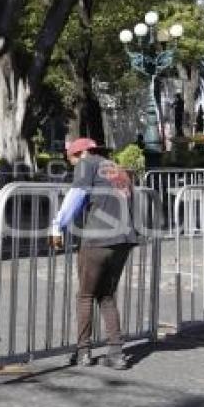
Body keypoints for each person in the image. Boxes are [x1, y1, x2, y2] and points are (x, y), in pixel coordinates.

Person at [51, 137, 138, 370]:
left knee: (86, 296)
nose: (71, 164)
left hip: (98, 239)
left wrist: (57, 226)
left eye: (70, 158)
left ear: (79, 153)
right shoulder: (117, 168)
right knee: (107, 296)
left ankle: (83, 352)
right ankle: (117, 354)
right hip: (124, 239)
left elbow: (75, 197)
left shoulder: (86, 164)